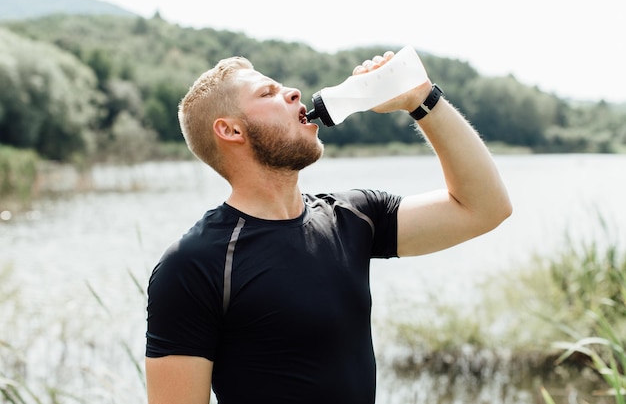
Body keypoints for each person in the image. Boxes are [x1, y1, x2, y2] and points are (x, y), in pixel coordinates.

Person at [144, 48, 512, 404]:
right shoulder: (192, 265)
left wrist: (421, 99)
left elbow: (484, 208)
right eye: (267, 92)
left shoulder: (354, 216)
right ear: (231, 130)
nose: (293, 92)